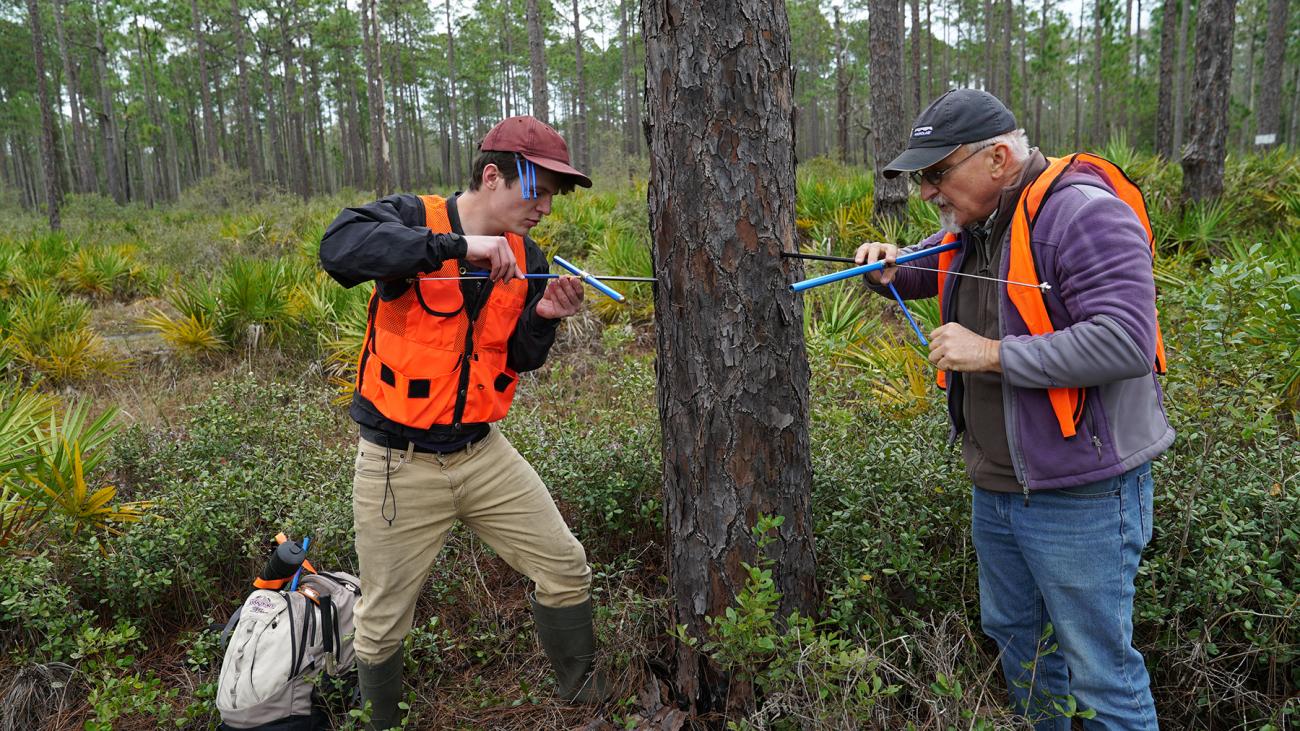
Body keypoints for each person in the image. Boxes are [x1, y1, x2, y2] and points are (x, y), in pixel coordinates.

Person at [854, 89, 1172, 730]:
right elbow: (925, 271)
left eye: (937, 173)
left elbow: (1126, 340)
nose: (926, 192)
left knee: (1101, 674)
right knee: (1023, 652)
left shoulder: (1083, 215)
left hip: (1082, 493)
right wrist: (882, 266)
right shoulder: (977, 223)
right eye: (921, 177)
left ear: (997, 157)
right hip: (999, 488)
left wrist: (992, 354)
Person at [319, 116, 607, 730]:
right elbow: (338, 250)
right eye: (540, 190)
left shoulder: (529, 256)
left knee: (565, 568)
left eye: (555, 195)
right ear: (494, 175)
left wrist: (548, 314)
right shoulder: (413, 218)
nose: (547, 209)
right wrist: (455, 248)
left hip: (483, 456)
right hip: (397, 465)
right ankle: (381, 723)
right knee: (382, 619)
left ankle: (586, 707)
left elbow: (519, 355)